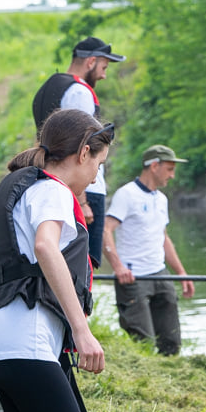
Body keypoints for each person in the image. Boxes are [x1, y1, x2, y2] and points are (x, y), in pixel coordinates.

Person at [0, 109, 113, 412]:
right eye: (98, 164)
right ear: (83, 152)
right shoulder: (52, 190)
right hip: (27, 348)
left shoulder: (27, 187)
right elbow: (45, 247)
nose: (96, 176)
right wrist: (82, 332)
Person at [32, 36, 126, 268]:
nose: (104, 75)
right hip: (84, 188)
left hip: (55, 181)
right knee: (85, 265)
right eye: (103, 67)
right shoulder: (79, 92)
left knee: (64, 260)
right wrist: (83, 202)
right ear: (91, 61)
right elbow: (82, 144)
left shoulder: (48, 87)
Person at [102, 144, 195, 356]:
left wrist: (181, 273)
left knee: (171, 341)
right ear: (154, 166)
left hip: (160, 274)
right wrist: (118, 268)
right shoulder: (126, 195)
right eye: (169, 169)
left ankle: (172, 378)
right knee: (143, 344)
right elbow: (106, 230)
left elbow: (163, 238)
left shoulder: (161, 199)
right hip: (133, 278)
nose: (172, 175)